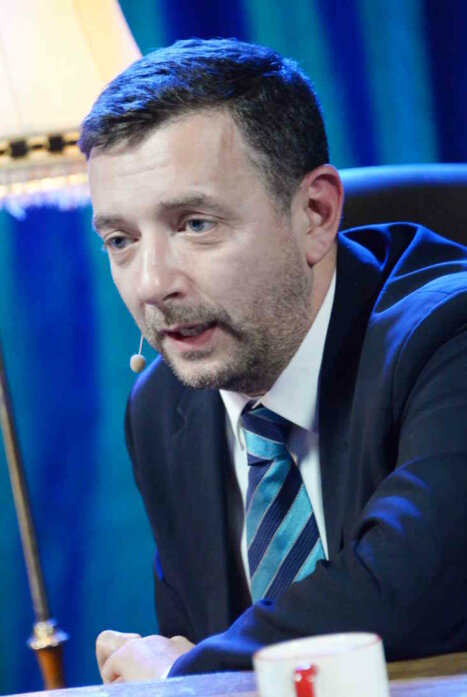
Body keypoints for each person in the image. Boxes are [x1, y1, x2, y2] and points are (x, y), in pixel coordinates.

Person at [80, 38, 467, 683]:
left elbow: (408, 589)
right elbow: (206, 632)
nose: (151, 284)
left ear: (315, 214)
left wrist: (184, 676)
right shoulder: (163, 408)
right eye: (121, 240)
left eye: (195, 224)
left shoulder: (450, 334)